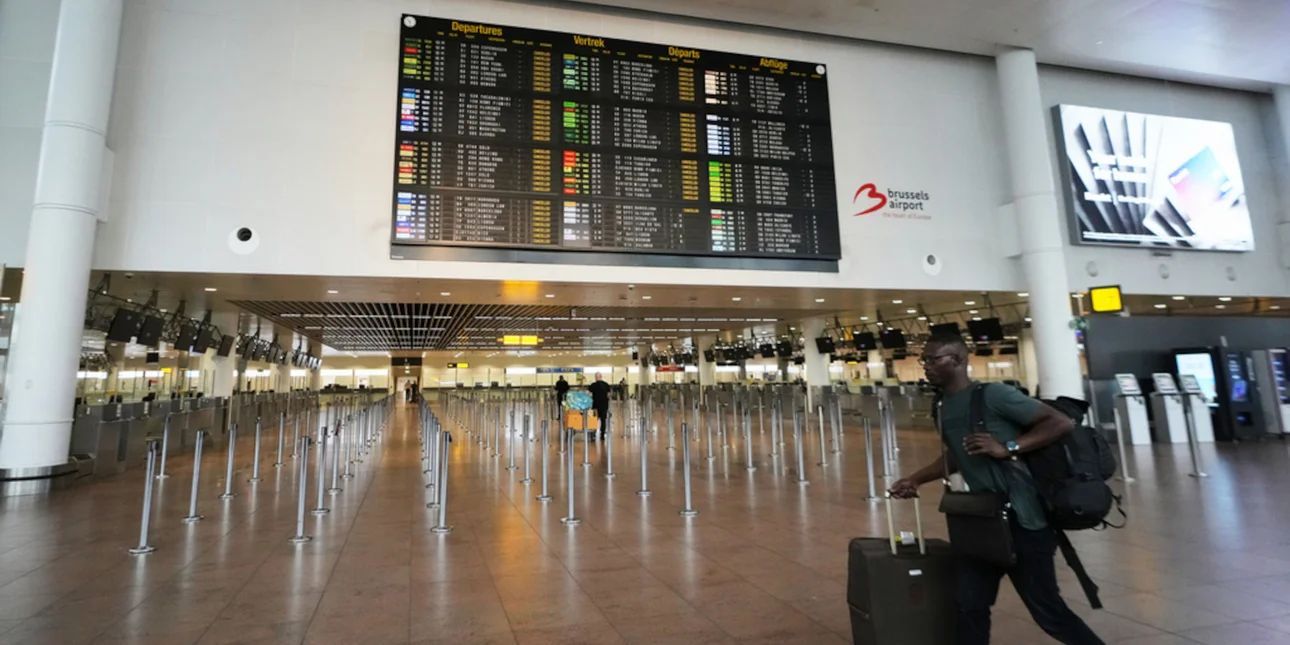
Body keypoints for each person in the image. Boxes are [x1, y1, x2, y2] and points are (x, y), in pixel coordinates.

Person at [889, 332, 1104, 645]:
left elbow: (1060, 422)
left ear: (958, 360)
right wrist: (917, 478)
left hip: (1024, 523)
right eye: (924, 360)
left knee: (1049, 612)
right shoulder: (942, 405)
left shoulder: (994, 395)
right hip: (982, 523)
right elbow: (958, 453)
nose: (926, 366)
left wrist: (1009, 447)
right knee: (969, 605)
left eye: (933, 359)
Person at [587, 372, 612, 441]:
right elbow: (609, 394)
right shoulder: (606, 384)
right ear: (601, 377)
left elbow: (587, 393)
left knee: (594, 420)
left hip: (596, 405)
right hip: (604, 405)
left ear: (595, 377)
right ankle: (602, 435)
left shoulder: (593, 385)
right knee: (603, 420)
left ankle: (593, 434)